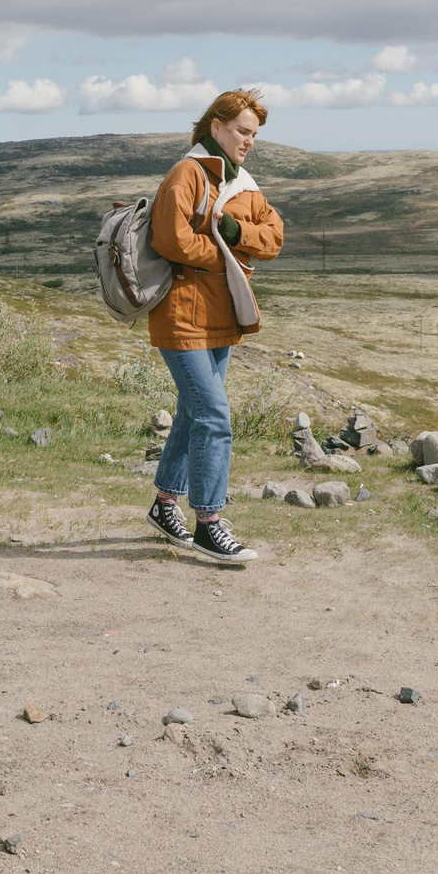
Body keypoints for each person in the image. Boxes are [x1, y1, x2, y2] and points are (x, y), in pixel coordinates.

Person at [143, 88, 285, 565]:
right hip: (180, 314)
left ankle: (165, 505)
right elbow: (171, 239)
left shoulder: (245, 184)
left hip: (222, 319)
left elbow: (276, 236)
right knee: (214, 417)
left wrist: (236, 235)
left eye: (254, 134)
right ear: (216, 126)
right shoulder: (187, 173)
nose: (249, 141)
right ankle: (209, 522)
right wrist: (228, 258)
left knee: (192, 414)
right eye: (243, 131)